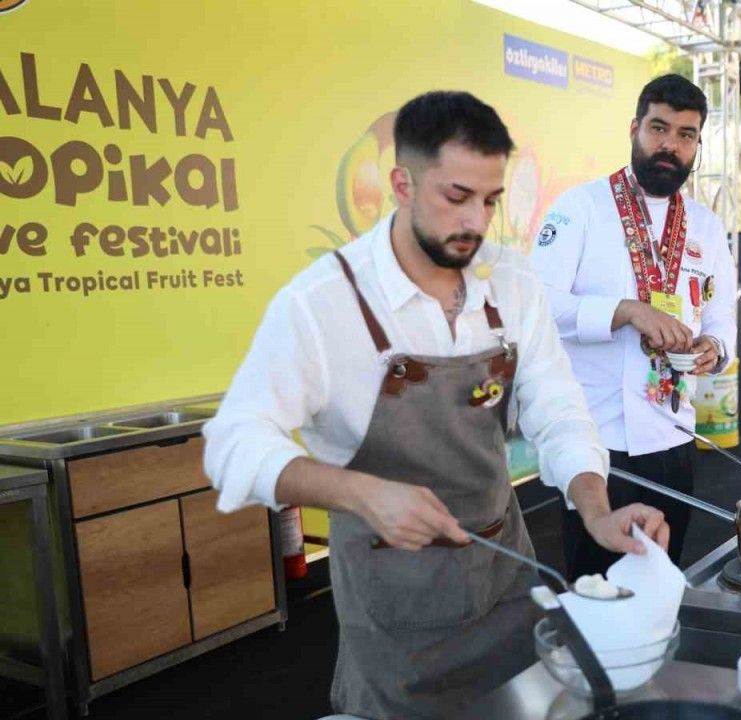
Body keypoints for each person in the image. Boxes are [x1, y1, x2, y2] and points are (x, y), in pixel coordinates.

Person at [202, 91, 670, 720]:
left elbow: (558, 410)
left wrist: (596, 510)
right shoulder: (323, 303)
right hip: (397, 603)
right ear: (402, 184)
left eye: (490, 200)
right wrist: (361, 493)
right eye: (457, 197)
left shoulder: (511, 283)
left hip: (505, 578)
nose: (477, 222)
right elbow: (234, 445)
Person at [528, 74, 737, 579]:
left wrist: (713, 346)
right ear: (634, 129)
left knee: (664, 579)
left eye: (686, 135)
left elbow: (720, 316)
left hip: (673, 436)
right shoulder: (580, 207)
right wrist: (625, 311)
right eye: (658, 128)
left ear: (697, 145)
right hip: (597, 443)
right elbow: (536, 306)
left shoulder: (706, 226)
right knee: (598, 588)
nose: (670, 145)